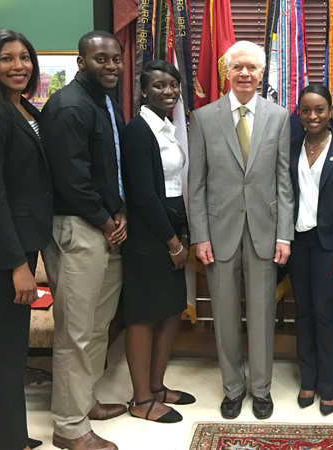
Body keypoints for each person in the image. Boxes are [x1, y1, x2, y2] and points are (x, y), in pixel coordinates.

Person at [188, 40, 294, 420]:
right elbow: (195, 183)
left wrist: (285, 235)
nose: (245, 74)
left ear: (262, 74)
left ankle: (261, 390)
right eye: (238, 68)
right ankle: (233, 389)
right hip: (219, 234)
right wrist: (199, 235)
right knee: (226, 316)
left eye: (252, 68)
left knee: (263, 315)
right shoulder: (203, 118)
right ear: (227, 74)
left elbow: (284, 181)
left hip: (266, 233)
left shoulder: (279, 117)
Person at [40, 31, 127, 450]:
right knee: (74, 332)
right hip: (78, 228)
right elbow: (70, 178)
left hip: (106, 227)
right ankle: (69, 428)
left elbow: (109, 167)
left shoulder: (105, 100)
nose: (111, 66)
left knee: (97, 325)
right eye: (100, 59)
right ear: (81, 62)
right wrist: (106, 220)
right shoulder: (68, 105)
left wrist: (120, 212)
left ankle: (85, 400)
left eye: (116, 59)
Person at [0, 28, 53, 450]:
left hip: (21, 243)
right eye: (7, 58)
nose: (18, 66)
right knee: (4, 350)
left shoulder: (23, 107)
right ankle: (4, 443)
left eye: (24, 57)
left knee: (6, 348)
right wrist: (19, 266)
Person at [120, 59, 195, 424]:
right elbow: (144, 196)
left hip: (170, 227)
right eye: (159, 86)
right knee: (143, 315)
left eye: (173, 85)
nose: (168, 92)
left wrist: (181, 235)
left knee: (169, 309)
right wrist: (173, 244)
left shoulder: (166, 127)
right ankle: (141, 399)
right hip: (148, 237)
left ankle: (158, 386)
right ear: (143, 91)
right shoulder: (138, 131)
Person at [287, 84, 333, 416]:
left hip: (330, 246)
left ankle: (330, 386)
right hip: (298, 243)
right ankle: (309, 379)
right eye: (306, 110)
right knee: (302, 313)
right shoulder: (290, 149)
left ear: (331, 112)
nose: (312, 116)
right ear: (298, 113)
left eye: (319, 109)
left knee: (325, 314)